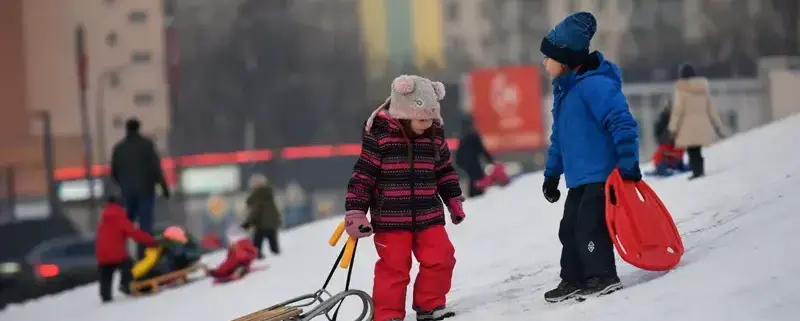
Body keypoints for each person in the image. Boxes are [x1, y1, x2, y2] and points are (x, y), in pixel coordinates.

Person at [344, 75, 465, 321]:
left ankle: (429, 305)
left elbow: (444, 171)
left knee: (441, 257)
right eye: (422, 119)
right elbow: (364, 174)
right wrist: (356, 212)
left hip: (429, 214)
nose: (427, 124)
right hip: (390, 218)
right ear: (404, 113)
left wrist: (453, 198)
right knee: (394, 269)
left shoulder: (434, 135)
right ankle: (388, 314)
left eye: (431, 118)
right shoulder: (381, 136)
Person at [539, 12, 641, 303]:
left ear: (566, 59)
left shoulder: (595, 85)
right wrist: (551, 175)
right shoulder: (565, 92)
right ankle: (572, 278)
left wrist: (627, 163)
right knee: (569, 227)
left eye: (549, 58)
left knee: (589, 226)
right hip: (579, 178)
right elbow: (560, 138)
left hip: (603, 176)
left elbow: (622, 122)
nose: (544, 63)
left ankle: (603, 275)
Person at [110, 117, 171, 259]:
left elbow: (114, 172)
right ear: (138, 128)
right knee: (145, 226)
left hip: (127, 194)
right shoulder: (147, 146)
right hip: (146, 192)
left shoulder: (119, 149)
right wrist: (164, 187)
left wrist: (123, 184)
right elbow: (155, 168)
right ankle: (143, 257)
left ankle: (122, 257)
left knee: (126, 227)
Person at [668, 63, 726, 180]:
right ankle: (700, 170)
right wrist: (717, 126)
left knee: (691, 151)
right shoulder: (703, 89)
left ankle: (696, 172)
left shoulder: (681, 91)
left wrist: (673, 128)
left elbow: (678, 111)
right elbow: (711, 109)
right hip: (701, 126)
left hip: (687, 127)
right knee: (698, 150)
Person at [95, 196, 158, 303]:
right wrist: (152, 241)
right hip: (117, 254)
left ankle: (105, 297)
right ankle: (126, 285)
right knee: (129, 267)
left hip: (102, 255)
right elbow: (135, 234)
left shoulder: (103, 220)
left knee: (105, 276)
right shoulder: (120, 217)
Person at [454, 116, 497, 197]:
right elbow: (481, 149)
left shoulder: (462, 136)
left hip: (465, 163)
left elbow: (459, 152)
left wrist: (458, 162)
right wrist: (490, 160)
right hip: (473, 161)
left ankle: (474, 194)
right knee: (478, 178)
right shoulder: (473, 135)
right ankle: (478, 194)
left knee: (472, 179)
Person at [242, 174, 282, 259]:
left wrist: (248, 223)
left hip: (262, 225)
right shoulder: (269, 193)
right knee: (273, 245)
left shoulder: (256, 197)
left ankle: (259, 258)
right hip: (272, 224)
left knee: (256, 245)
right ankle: (278, 259)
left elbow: (255, 212)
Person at [650, 98, 689, 176]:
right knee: (665, 154)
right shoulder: (663, 118)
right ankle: (665, 167)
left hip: (673, 142)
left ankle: (676, 165)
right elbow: (657, 131)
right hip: (666, 141)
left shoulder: (678, 118)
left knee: (675, 153)